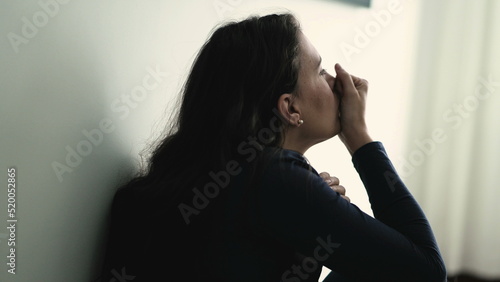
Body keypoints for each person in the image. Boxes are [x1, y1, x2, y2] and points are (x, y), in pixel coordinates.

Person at [99, 13, 446, 281]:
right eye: (321, 70)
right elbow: (426, 271)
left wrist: (319, 225)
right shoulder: (276, 178)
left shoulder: (219, 172)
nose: (335, 81)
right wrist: (358, 135)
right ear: (290, 108)